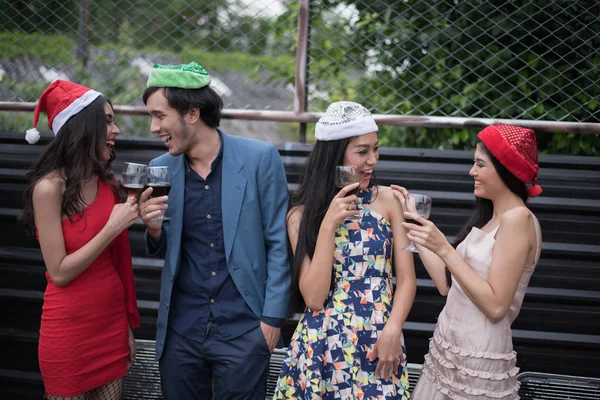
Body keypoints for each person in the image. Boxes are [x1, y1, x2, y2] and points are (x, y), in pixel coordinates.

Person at [138, 62, 291, 399]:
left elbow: (279, 242)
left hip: (245, 329)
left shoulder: (259, 158)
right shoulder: (159, 169)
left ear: (191, 113)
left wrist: (272, 320)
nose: (153, 127)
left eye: (160, 115)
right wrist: (152, 230)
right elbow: (164, 243)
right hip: (182, 331)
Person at [274, 101, 416, 399]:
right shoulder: (300, 216)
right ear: (335, 155)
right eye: (362, 151)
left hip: (379, 342)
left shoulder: (389, 201)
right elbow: (313, 298)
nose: (372, 160)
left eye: (375, 149)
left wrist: (393, 330)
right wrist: (328, 225)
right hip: (321, 348)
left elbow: (406, 280)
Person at [394, 124, 543, 399]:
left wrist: (445, 249)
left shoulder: (518, 220)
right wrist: (416, 224)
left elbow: (497, 306)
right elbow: (446, 285)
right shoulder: (493, 218)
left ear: (505, 170)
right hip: (449, 349)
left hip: (479, 359)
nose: (471, 172)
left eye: (480, 164)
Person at [20, 80, 140, 399]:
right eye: (108, 120)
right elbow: (59, 272)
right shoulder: (49, 189)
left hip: (111, 326)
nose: (116, 129)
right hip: (69, 331)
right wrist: (112, 227)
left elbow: (118, 263)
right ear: (83, 126)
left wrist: (127, 325)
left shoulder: (108, 184)